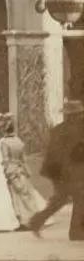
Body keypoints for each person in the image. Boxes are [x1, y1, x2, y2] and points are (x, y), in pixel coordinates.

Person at [30, 99, 84, 240]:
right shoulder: (70, 130)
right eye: (78, 114)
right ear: (72, 115)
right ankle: (76, 232)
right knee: (73, 198)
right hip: (63, 172)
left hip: (64, 171)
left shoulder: (60, 129)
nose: (80, 116)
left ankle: (37, 221)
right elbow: (58, 154)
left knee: (63, 199)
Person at [0, 115, 46, 230]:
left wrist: (4, 171)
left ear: (4, 129)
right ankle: (33, 218)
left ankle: (23, 221)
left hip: (11, 169)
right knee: (26, 195)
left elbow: (5, 159)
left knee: (16, 196)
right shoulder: (19, 141)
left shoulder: (4, 142)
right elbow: (23, 158)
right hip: (21, 169)